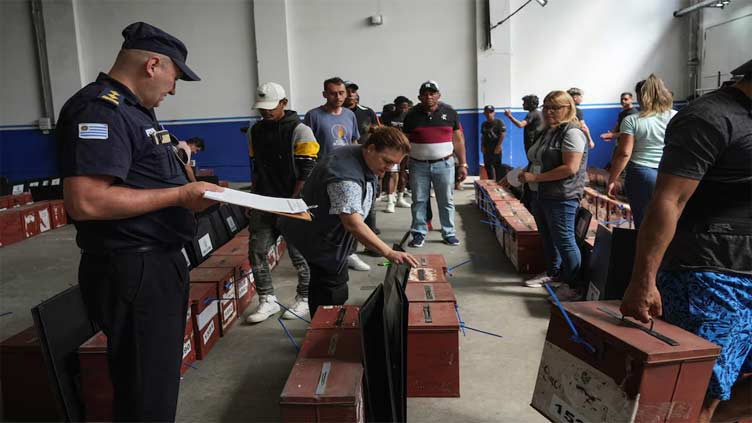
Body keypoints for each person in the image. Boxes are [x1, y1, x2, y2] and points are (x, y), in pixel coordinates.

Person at [57, 22, 222, 421]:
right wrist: (182, 195)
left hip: (158, 263)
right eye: (174, 77)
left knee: (156, 380)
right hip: (133, 267)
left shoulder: (137, 112)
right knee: (146, 389)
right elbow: (86, 201)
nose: (173, 89)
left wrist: (191, 190)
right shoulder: (100, 109)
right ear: (153, 65)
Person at [620, 59, 752, 423]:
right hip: (711, 276)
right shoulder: (709, 118)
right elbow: (667, 201)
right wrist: (642, 281)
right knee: (698, 393)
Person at [279, 127, 419, 317]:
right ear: (370, 148)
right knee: (331, 288)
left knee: (328, 281)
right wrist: (388, 252)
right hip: (319, 238)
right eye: (386, 161)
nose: (388, 169)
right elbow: (353, 223)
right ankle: (326, 333)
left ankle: (323, 325)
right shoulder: (345, 177)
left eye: (394, 164)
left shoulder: (358, 152)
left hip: (322, 230)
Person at [245, 82, 319, 323]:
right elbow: (256, 168)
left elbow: (307, 171)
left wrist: (292, 203)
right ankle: (267, 300)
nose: (265, 112)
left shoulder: (300, 130)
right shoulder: (255, 131)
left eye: (270, 107)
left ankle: (305, 298)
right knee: (257, 251)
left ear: (284, 103)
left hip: (292, 202)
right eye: (261, 108)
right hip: (264, 201)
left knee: (299, 255)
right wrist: (253, 198)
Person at [513, 91, 588, 301]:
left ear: (568, 109)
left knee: (565, 240)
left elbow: (570, 168)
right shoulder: (548, 131)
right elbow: (537, 158)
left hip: (562, 196)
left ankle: (573, 286)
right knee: (548, 238)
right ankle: (554, 273)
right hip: (541, 193)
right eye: (546, 107)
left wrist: (535, 177)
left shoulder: (572, 133)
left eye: (555, 108)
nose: (549, 112)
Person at [304, 77, 369, 271]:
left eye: (341, 93)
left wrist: (361, 168)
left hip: (348, 174)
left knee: (350, 215)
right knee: (324, 216)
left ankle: (349, 253)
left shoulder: (349, 115)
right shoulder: (313, 116)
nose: (338, 97)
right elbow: (308, 147)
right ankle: (325, 255)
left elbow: (355, 142)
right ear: (325, 94)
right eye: (333, 93)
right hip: (323, 174)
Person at [403, 80, 467, 247]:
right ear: (419, 97)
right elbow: (404, 143)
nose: (429, 96)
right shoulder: (411, 115)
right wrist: (402, 167)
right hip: (418, 165)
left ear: (439, 95)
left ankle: (449, 233)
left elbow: (458, 140)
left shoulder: (450, 113)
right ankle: (418, 233)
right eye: (425, 94)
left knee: (446, 200)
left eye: (432, 93)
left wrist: (463, 164)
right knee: (419, 200)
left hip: (444, 164)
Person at [606, 75, 676, 228]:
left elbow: (624, 153)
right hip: (669, 172)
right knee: (667, 222)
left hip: (642, 173)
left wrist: (612, 179)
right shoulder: (675, 116)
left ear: (641, 96)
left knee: (644, 224)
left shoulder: (632, 120)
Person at [344, 81, 382, 235]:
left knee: (369, 200)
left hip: (368, 162)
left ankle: (370, 233)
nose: (351, 94)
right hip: (345, 162)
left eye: (353, 91)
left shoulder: (367, 112)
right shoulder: (337, 114)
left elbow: (379, 134)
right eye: (348, 91)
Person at [382, 95, 412, 211]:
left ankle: (400, 197)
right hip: (391, 148)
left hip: (404, 148)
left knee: (403, 172)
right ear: (396, 106)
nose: (404, 109)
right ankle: (390, 201)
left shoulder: (408, 116)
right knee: (391, 173)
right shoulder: (387, 116)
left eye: (406, 107)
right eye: (402, 107)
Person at [480, 105, 506, 181]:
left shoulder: (499, 122)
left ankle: (499, 182)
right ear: (484, 113)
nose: (489, 114)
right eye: (487, 112)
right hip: (487, 148)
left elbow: (502, 134)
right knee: (488, 166)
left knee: (497, 166)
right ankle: (491, 182)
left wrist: (498, 146)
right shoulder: (484, 124)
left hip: (496, 148)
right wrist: (482, 146)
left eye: (490, 112)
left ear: (494, 113)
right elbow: (483, 136)